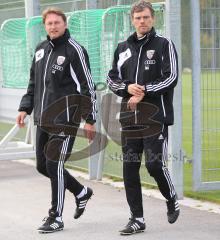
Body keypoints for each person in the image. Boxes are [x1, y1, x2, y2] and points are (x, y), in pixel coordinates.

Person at [16, 7, 97, 233]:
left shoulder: (75, 51)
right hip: (43, 119)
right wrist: (25, 108)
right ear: (45, 26)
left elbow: (87, 86)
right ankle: (81, 192)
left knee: (54, 164)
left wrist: (90, 118)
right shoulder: (41, 50)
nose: (53, 26)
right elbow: (33, 84)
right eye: (49, 23)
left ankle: (56, 217)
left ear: (64, 24)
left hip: (65, 119)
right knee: (43, 166)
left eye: (57, 23)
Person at [107, 0, 180, 235]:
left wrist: (144, 91)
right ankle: (137, 218)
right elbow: (111, 79)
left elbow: (172, 77)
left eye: (146, 17)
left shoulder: (163, 44)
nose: (142, 21)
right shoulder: (122, 48)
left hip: (155, 116)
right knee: (129, 168)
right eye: (138, 18)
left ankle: (171, 198)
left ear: (153, 19)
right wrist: (128, 88)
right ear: (132, 20)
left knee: (154, 163)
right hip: (129, 118)